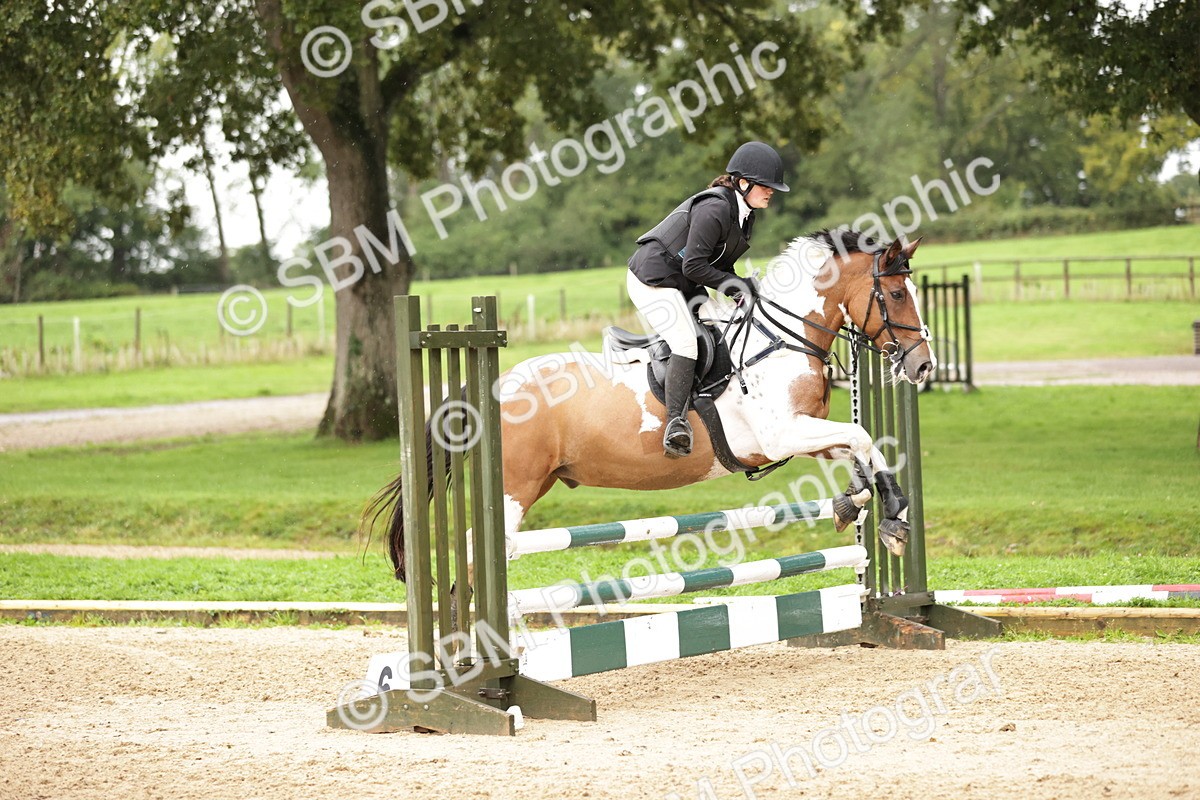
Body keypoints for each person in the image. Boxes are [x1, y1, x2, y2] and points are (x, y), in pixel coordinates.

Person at [626, 141, 789, 459]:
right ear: (744, 183)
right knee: (686, 342)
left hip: (684, 282)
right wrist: (737, 285)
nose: (771, 192)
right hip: (653, 279)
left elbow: (719, 263)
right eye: (766, 186)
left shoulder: (743, 214)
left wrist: (742, 290)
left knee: (726, 325)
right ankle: (676, 423)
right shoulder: (715, 208)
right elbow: (695, 265)